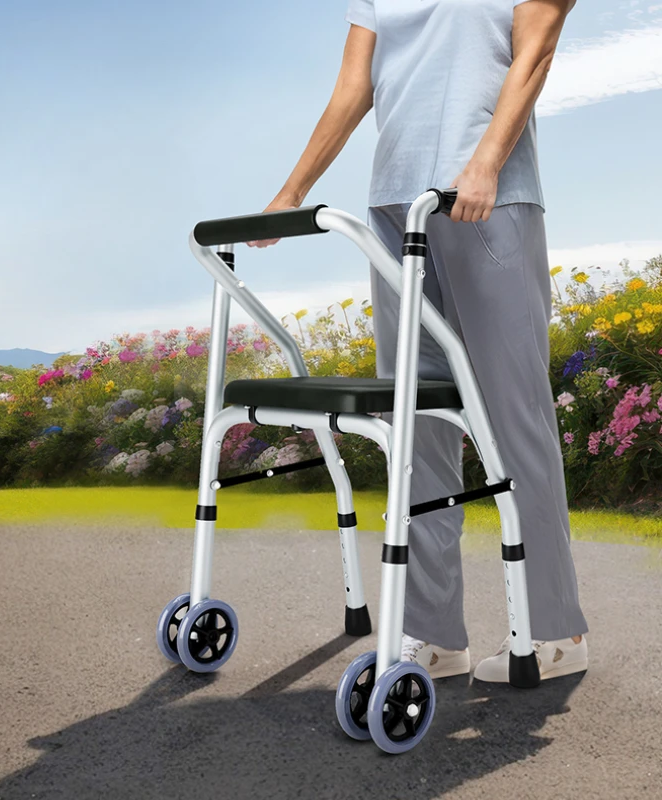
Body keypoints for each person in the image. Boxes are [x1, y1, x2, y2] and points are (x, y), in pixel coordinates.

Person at [247, 0, 588, 682]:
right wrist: (293, 191)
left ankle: (555, 633)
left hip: (487, 197)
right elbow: (355, 86)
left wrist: (486, 161)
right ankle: (435, 635)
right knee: (416, 419)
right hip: (394, 208)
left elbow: (536, 51)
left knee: (513, 417)